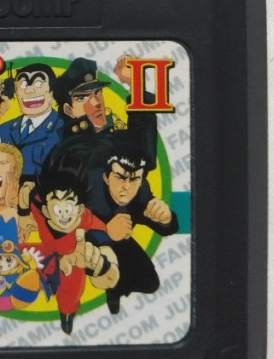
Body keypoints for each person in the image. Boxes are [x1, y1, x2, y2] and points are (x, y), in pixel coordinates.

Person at [85, 131, 178, 314]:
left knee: (150, 283)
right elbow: (64, 229)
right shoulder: (89, 187)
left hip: (119, 241)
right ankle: (112, 290)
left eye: (134, 179)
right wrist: (105, 232)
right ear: (106, 177)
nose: (126, 187)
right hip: (81, 243)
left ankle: (118, 288)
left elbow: (167, 227)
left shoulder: (141, 191)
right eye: (120, 177)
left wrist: (166, 219)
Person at [28, 155, 119, 333]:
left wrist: (101, 263)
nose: (63, 214)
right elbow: (31, 196)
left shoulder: (87, 222)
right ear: (46, 210)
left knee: (70, 297)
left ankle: (67, 319)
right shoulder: (39, 207)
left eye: (68, 207)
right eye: (57, 209)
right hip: (46, 254)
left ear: (79, 208)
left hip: (73, 263)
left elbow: (104, 242)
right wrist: (23, 209)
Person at [0, 63, 61, 182]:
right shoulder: (3, 130)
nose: (29, 90)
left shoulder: (63, 129)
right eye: (23, 84)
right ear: (16, 93)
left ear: (52, 93)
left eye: (39, 84)